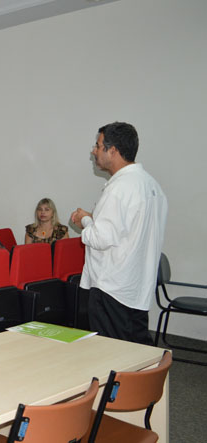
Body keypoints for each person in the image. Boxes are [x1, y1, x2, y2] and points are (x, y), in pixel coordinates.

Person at [71, 122, 167, 344]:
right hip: (136, 287)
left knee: (112, 353)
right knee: (136, 350)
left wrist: (84, 221)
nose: (93, 151)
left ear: (112, 151)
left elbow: (99, 238)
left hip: (111, 288)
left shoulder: (118, 189)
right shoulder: (152, 186)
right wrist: (94, 219)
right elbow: (127, 232)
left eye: (98, 145)